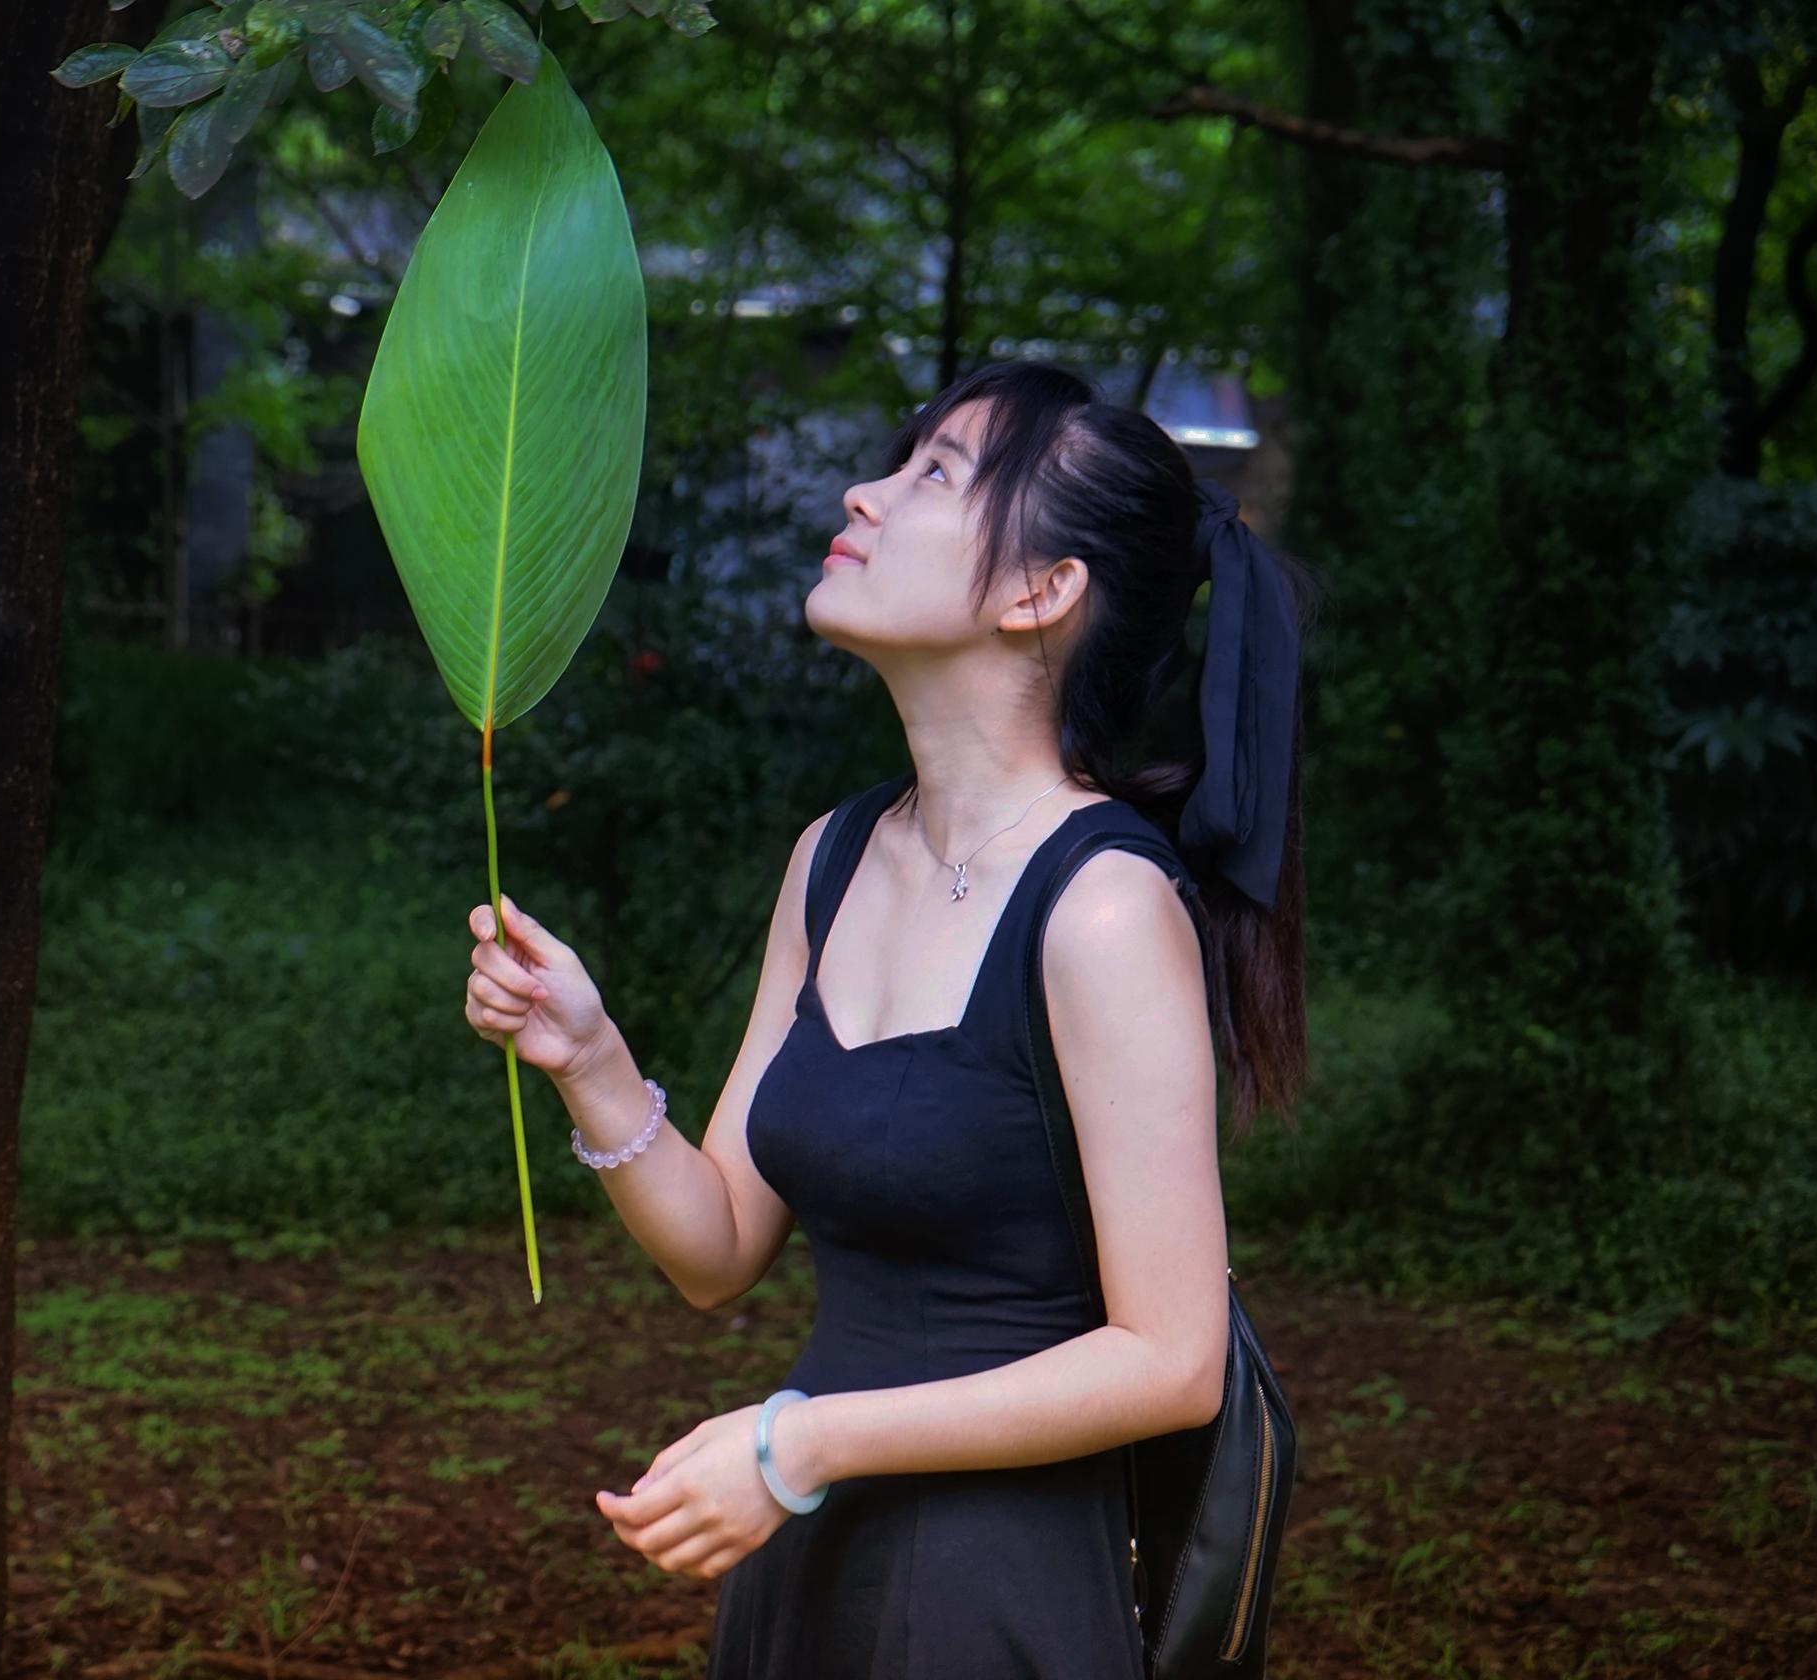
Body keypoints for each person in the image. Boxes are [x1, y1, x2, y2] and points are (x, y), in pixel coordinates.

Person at [463, 356, 1317, 1677]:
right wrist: (593, 1060)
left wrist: (803, 1441)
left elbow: (1173, 1359)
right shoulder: (835, 857)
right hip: (808, 1573)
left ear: (1044, 592)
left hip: (997, 1598)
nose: (863, 492)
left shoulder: (1101, 910)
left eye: (933, 475)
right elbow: (718, 1249)